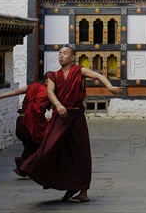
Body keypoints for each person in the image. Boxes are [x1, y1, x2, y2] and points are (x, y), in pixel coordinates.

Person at [20, 46, 123, 203]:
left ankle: (83, 191)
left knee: (81, 152)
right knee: (51, 147)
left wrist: (109, 87)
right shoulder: (54, 75)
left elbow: (97, 75)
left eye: (65, 53)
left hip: (76, 117)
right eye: (59, 54)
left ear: (73, 57)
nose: (61, 56)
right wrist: (58, 105)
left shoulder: (79, 71)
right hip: (60, 117)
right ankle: (40, 171)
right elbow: (50, 92)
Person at [0, 72, 53, 177]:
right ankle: (27, 168)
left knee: (31, 147)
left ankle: (23, 169)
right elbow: (17, 91)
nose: (54, 82)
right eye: (51, 80)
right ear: (46, 81)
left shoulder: (36, 87)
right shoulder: (45, 90)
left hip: (22, 122)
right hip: (30, 124)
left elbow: (17, 91)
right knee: (40, 145)